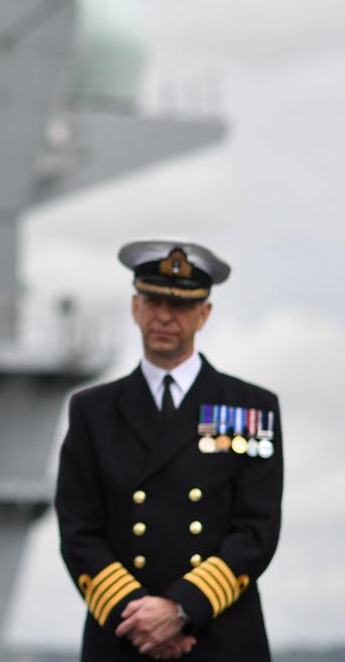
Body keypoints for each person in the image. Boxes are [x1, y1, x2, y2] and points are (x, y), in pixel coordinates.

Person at [54, 240, 282, 661]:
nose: (164, 316)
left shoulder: (250, 407)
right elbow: (78, 530)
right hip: (125, 636)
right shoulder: (92, 410)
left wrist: (181, 609)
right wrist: (142, 618)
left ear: (204, 314)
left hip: (220, 638)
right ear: (135, 308)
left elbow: (256, 531)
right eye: (154, 301)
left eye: (179, 306)